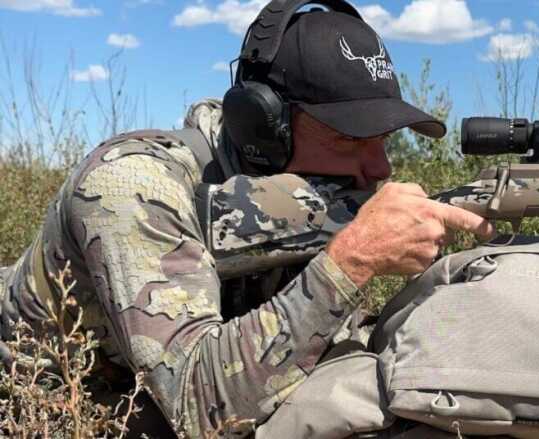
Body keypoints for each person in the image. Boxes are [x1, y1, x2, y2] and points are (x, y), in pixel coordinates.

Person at [0, 2, 493, 437]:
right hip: (52, 405)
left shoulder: (305, 193)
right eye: (350, 140)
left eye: (383, 139)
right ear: (262, 124)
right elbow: (199, 409)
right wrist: (350, 262)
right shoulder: (131, 183)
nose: (380, 168)